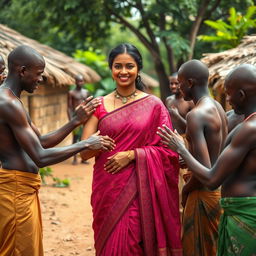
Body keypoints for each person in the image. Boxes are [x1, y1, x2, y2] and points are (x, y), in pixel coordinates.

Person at [0, 45, 115, 256]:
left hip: (23, 189)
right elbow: (40, 157)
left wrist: (75, 122)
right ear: (23, 71)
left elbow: (41, 142)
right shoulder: (6, 102)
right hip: (15, 190)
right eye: (39, 74)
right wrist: (85, 144)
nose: (41, 79)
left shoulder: (13, 100)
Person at [80, 43, 182, 256]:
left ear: (138, 69)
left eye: (129, 66)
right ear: (111, 68)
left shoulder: (154, 105)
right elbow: (84, 152)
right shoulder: (99, 105)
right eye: (118, 66)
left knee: (132, 242)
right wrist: (95, 144)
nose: (123, 72)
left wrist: (133, 154)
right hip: (106, 188)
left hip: (139, 189)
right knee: (108, 243)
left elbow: (170, 152)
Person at [157, 63, 256, 255]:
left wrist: (181, 150)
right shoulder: (223, 111)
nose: (227, 99)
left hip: (239, 211)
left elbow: (210, 178)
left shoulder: (248, 128)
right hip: (232, 206)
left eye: (229, 93)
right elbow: (220, 158)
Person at [161, 59, 227, 256]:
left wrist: (185, 191)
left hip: (203, 194)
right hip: (220, 192)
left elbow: (205, 171)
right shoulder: (218, 107)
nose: (178, 87)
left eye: (180, 82)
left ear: (190, 83)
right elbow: (213, 156)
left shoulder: (195, 115)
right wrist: (189, 156)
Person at [68, 74, 90, 165]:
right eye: (78, 81)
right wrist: (70, 120)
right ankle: (74, 158)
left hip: (85, 118)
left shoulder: (86, 92)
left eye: (81, 81)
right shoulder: (71, 93)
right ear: (75, 82)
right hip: (76, 117)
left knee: (84, 137)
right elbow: (69, 107)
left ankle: (83, 158)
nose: (80, 83)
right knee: (75, 138)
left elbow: (89, 104)